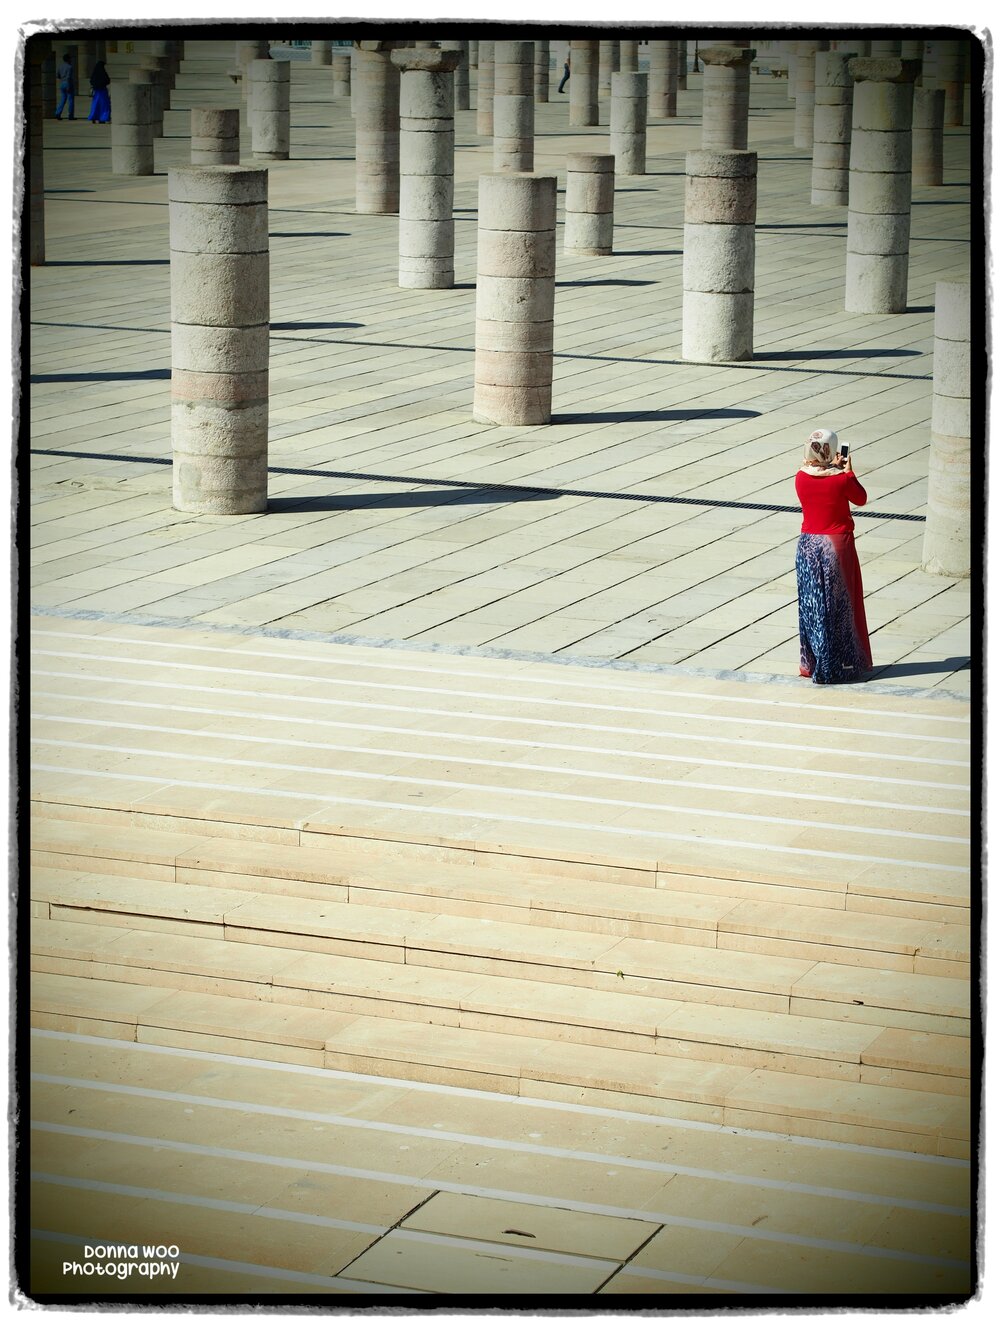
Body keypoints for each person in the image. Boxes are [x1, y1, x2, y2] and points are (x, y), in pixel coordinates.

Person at [794, 427, 872, 685]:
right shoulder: (841, 479)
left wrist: (834, 468)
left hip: (807, 546)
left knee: (813, 607)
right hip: (835, 547)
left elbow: (818, 478)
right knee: (841, 606)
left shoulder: (800, 477)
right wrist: (848, 471)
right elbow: (860, 498)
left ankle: (813, 662)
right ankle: (842, 664)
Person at [54, 51, 76, 120]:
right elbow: (69, 77)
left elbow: (57, 75)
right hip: (68, 83)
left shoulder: (60, 66)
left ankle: (58, 113)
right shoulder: (70, 67)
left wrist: (62, 78)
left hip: (62, 83)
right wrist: (69, 84)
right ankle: (70, 115)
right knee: (70, 100)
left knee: (62, 99)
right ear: (68, 59)